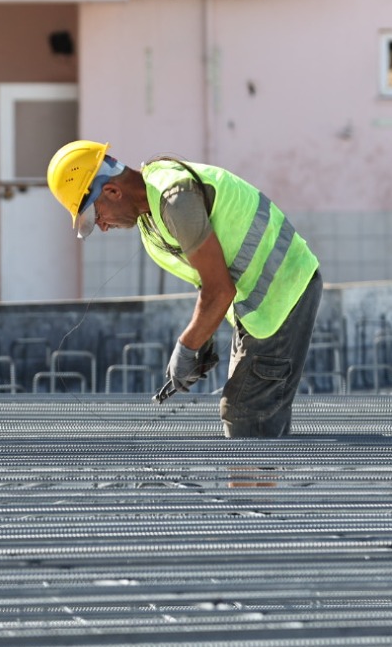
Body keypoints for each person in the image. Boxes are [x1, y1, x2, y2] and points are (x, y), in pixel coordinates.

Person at [46, 141, 322, 437]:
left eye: (94, 215)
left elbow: (219, 290)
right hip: (265, 301)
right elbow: (211, 279)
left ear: (112, 191)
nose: (101, 226)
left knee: (244, 416)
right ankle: (260, 479)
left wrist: (188, 346)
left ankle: (252, 481)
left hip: (283, 291)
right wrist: (203, 337)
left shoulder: (175, 199)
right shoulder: (151, 217)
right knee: (259, 421)